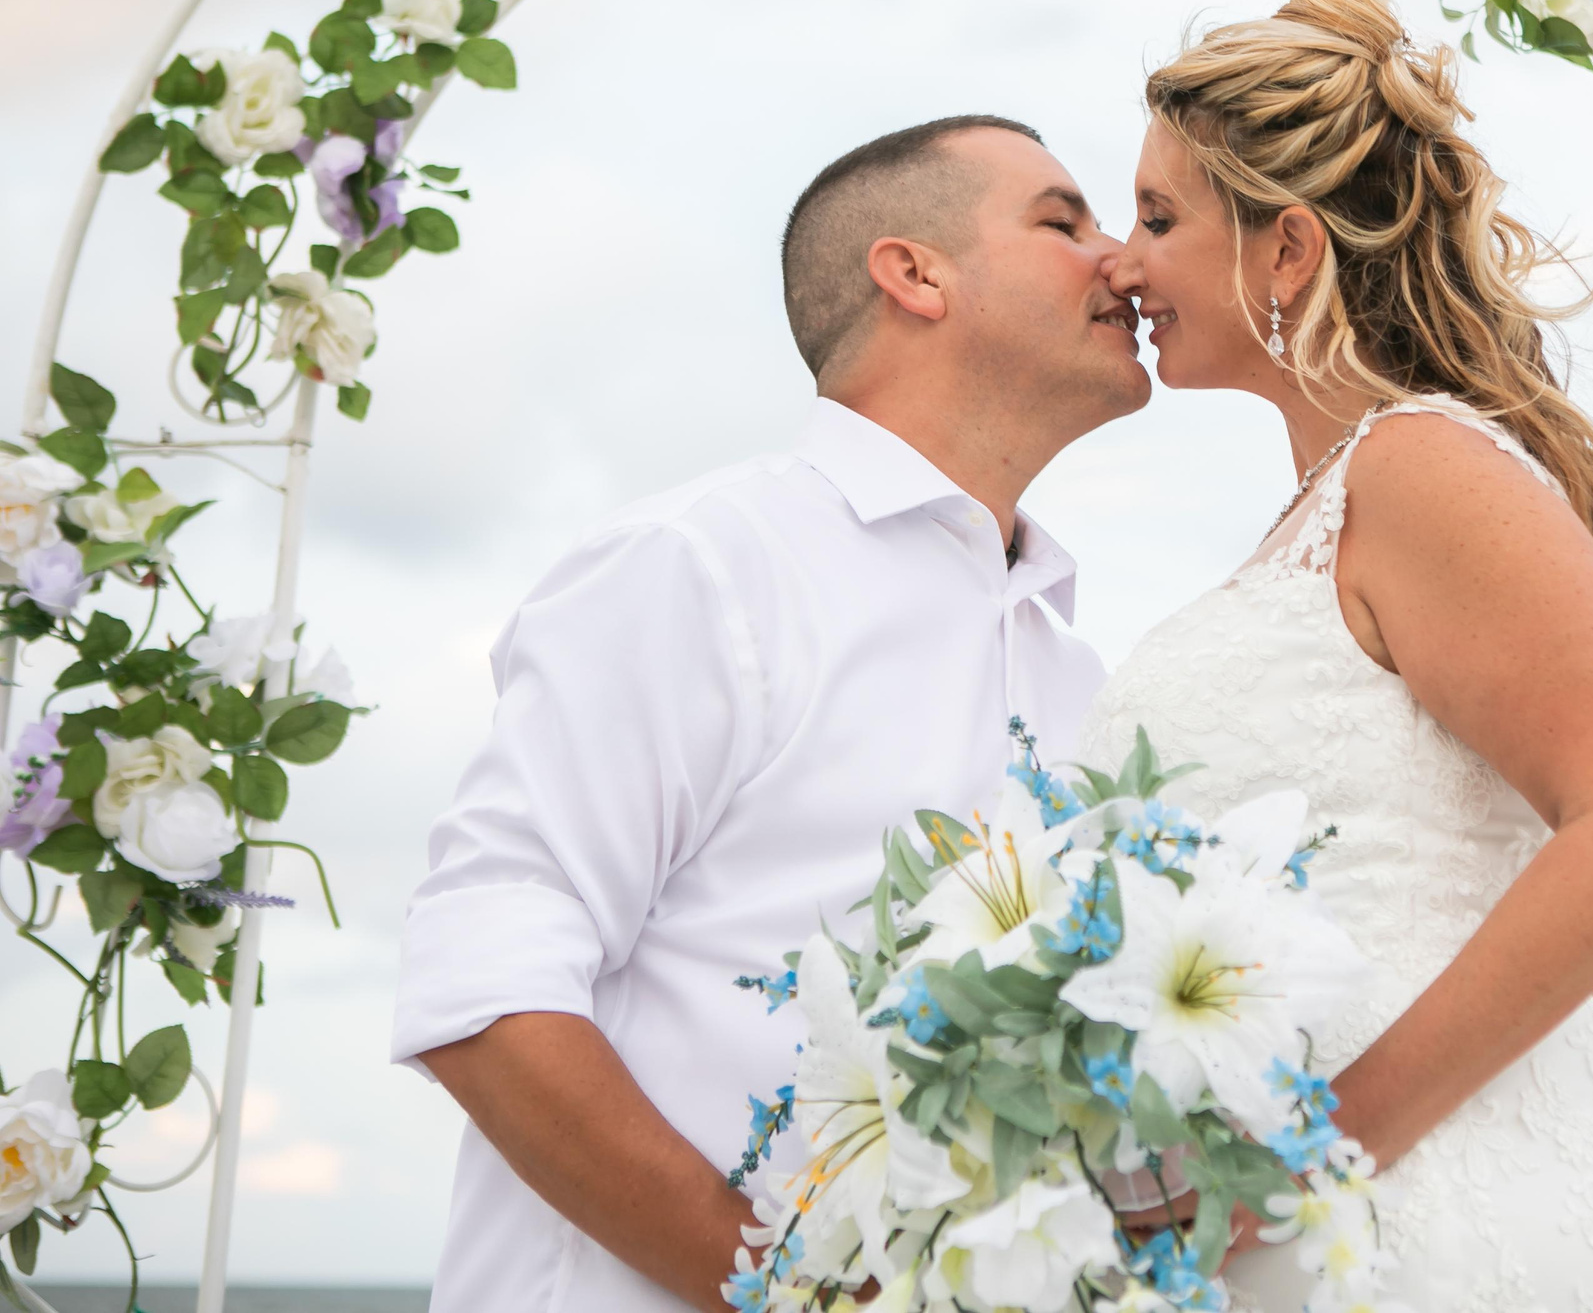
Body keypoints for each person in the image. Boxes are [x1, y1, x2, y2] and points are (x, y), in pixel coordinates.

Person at [388, 117, 1149, 1313]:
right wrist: (802, 1299)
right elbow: (481, 990)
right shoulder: (697, 566)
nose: (1122, 259)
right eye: (1063, 220)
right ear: (914, 273)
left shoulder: (1079, 671)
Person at [1084, 0, 1593, 1310]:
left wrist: (1313, 1152)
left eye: (1158, 216)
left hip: (1415, 1220)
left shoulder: (1422, 467)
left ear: (1288, 250)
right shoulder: (1330, 505)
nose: (1120, 258)